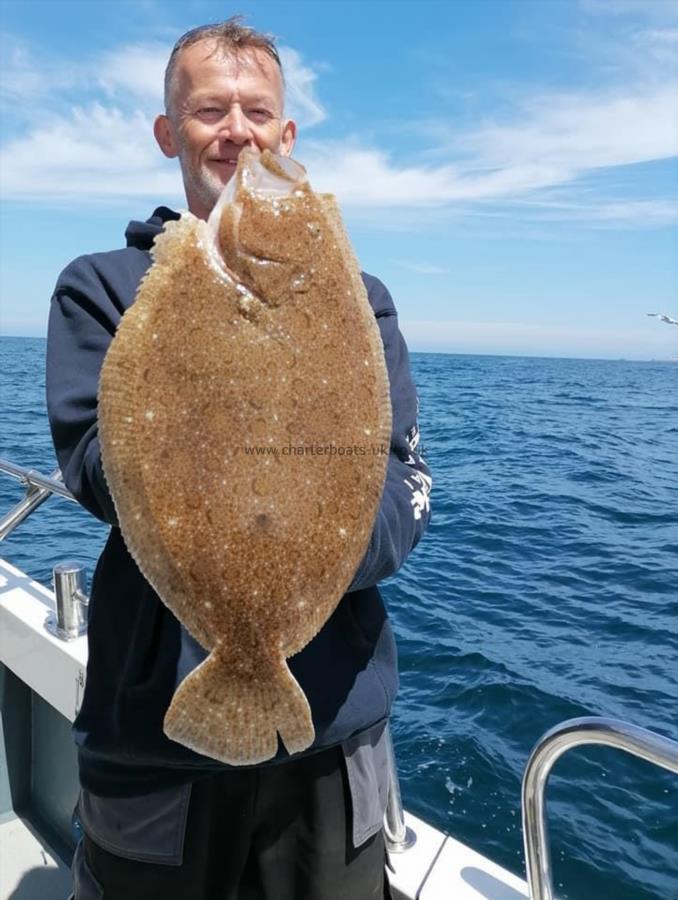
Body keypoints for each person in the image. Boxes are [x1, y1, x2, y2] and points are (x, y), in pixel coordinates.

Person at [47, 18, 432, 900]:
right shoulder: (102, 286)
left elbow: (400, 480)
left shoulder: (359, 299)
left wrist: (306, 552)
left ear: (287, 134)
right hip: (153, 740)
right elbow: (94, 464)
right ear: (168, 132)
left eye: (257, 112)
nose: (237, 131)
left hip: (331, 735)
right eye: (208, 110)